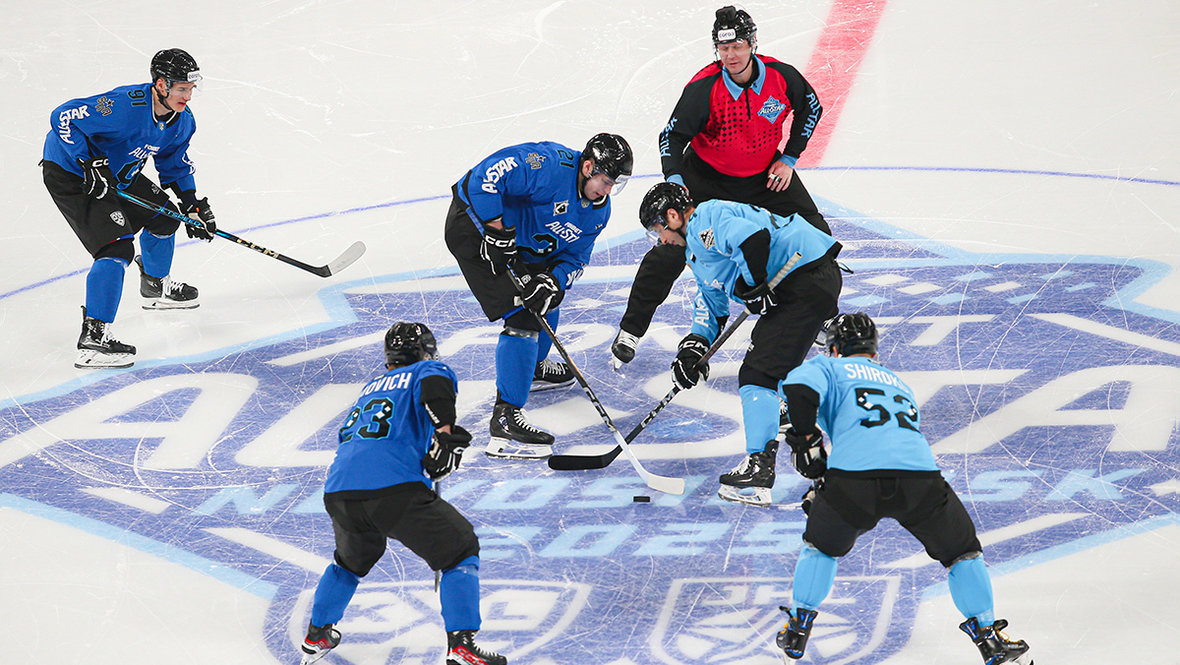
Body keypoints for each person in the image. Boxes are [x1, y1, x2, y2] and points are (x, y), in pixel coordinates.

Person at [773, 313, 1033, 664]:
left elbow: (798, 389)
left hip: (854, 480)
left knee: (821, 548)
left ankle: (798, 628)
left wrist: (806, 441)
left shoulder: (829, 367)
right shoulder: (897, 382)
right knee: (962, 553)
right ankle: (989, 639)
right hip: (919, 478)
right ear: (874, 352)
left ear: (834, 349)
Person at [610, 5, 829, 371]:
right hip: (707, 179)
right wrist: (676, 184)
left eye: (737, 46)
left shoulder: (780, 77)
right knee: (670, 250)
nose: (730, 55)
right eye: (723, 48)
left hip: (763, 176)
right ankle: (631, 330)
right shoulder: (704, 88)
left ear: (753, 42)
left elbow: (812, 107)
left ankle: (816, 313)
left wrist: (790, 158)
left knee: (816, 234)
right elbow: (671, 137)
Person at [300, 322, 506, 665]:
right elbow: (435, 386)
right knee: (460, 548)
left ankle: (317, 633)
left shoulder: (370, 388)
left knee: (350, 561)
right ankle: (462, 645)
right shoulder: (427, 370)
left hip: (339, 492)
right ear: (424, 350)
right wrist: (445, 434)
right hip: (392, 487)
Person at [637, 182, 841, 506]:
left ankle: (759, 467)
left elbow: (753, 239)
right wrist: (692, 349)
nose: (661, 239)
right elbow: (711, 304)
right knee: (769, 357)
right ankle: (790, 413)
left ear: (673, 216)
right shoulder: (695, 251)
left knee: (758, 374)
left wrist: (755, 284)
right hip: (804, 283)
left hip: (804, 276)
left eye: (658, 230)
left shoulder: (705, 218)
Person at [444, 133, 633, 459]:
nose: (607, 190)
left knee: (544, 295)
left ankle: (532, 369)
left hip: (520, 246)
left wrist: (553, 280)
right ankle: (505, 419)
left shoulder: (598, 213)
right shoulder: (547, 165)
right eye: (605, 181)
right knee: (522, 315)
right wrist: (495, 228)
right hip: (474, 227)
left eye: (614, 185)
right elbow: (484, 178)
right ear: (588, 167)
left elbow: (575, 259)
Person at [41, 48, 218, 369]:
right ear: (161, 84)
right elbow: (63, 117)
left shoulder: (182, 121)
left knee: (165, 218)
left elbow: (174, 162)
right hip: (72, 175)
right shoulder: (123, 106)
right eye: (182, 89)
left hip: (118, 174)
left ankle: (155, 286)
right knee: (117, 248)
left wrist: (191, 204)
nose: (188, 96)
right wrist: (87, 161)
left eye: (192, 88)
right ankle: (94, 339)